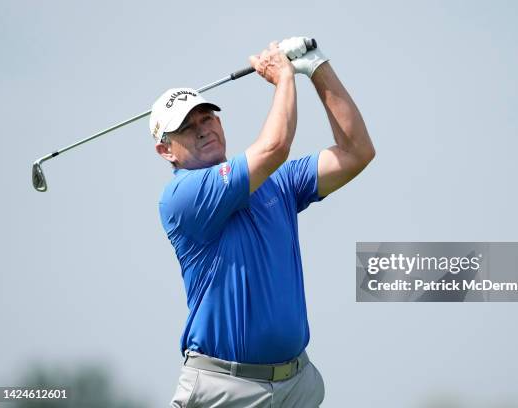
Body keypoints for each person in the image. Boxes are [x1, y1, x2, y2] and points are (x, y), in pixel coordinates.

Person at [150, 37, 375, 408]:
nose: (203, 128)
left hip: (297, 384)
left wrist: (317, 68)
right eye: (187, 127)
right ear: (165, 150)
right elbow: (274, 148)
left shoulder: (278, 183)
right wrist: (284, 77)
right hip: (224, 390)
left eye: (207, 117)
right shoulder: (181, 197)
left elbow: (356, 152)